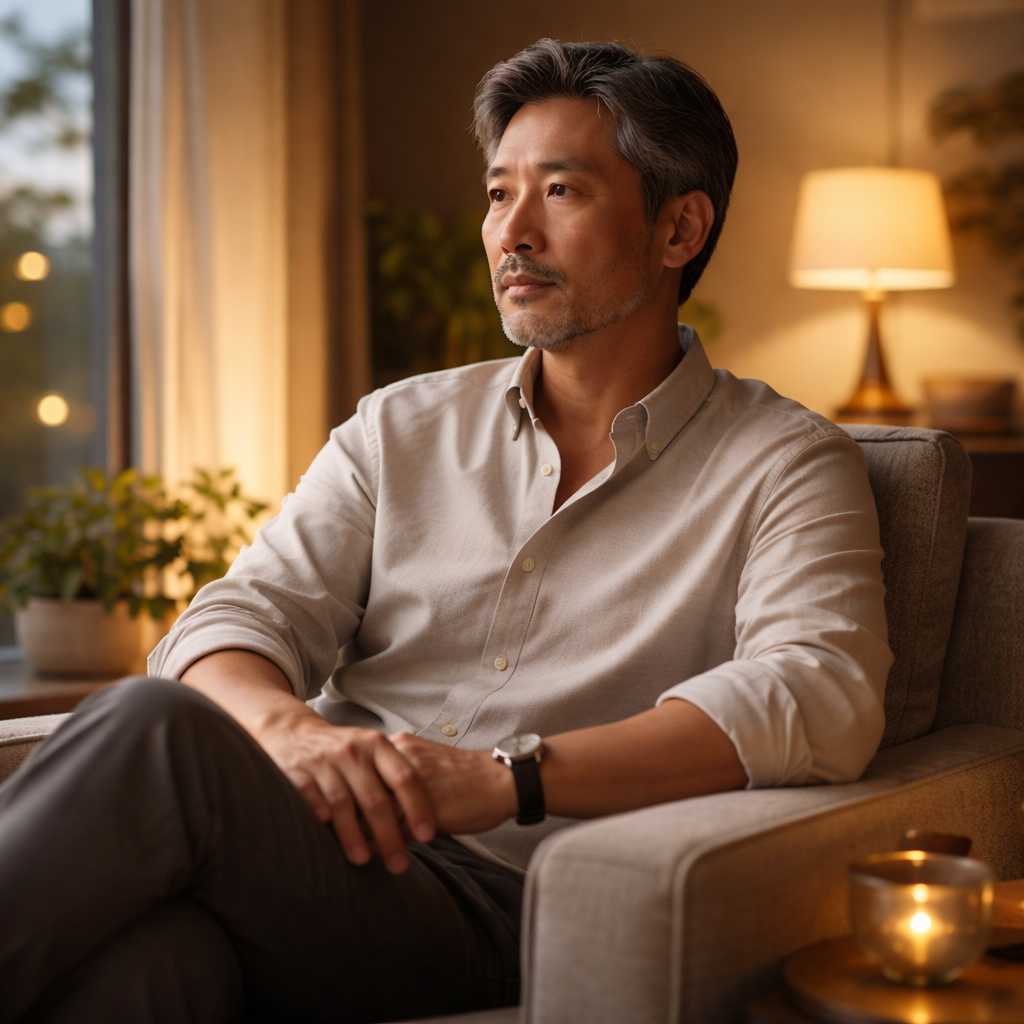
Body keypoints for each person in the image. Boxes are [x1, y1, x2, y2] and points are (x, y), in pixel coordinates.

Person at [0, 38, 892, 1024]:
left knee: (147, 725)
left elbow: (819, 692)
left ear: (679, 228)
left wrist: (503, 781)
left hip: (490, 905)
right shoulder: (401, 426)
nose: (511, 232)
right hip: (302, 848)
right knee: (157, 969)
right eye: (497, 192)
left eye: (560, 192)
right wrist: (291, 735)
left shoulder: (787, 459)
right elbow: (233, 620)